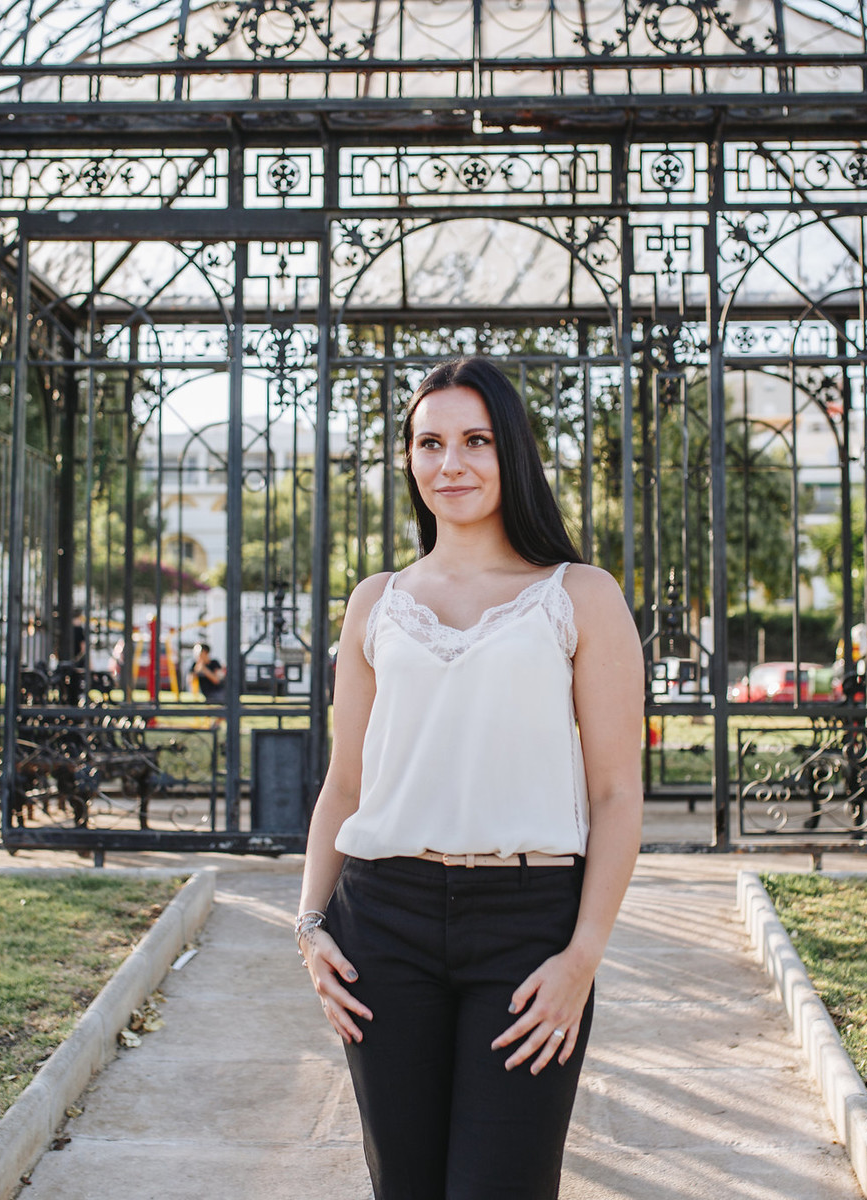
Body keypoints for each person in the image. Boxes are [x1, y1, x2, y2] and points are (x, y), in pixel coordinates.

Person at [294, 357, 644, 1200]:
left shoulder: (579, 595)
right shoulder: (376, 601)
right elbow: (345, 784)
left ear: (512, 452)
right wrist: (309, 928)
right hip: (382, 920)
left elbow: (616, 795)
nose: (450, 463)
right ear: (410, 461)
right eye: (429, 443)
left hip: (528, 931)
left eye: (475, 441)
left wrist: (582, 958)